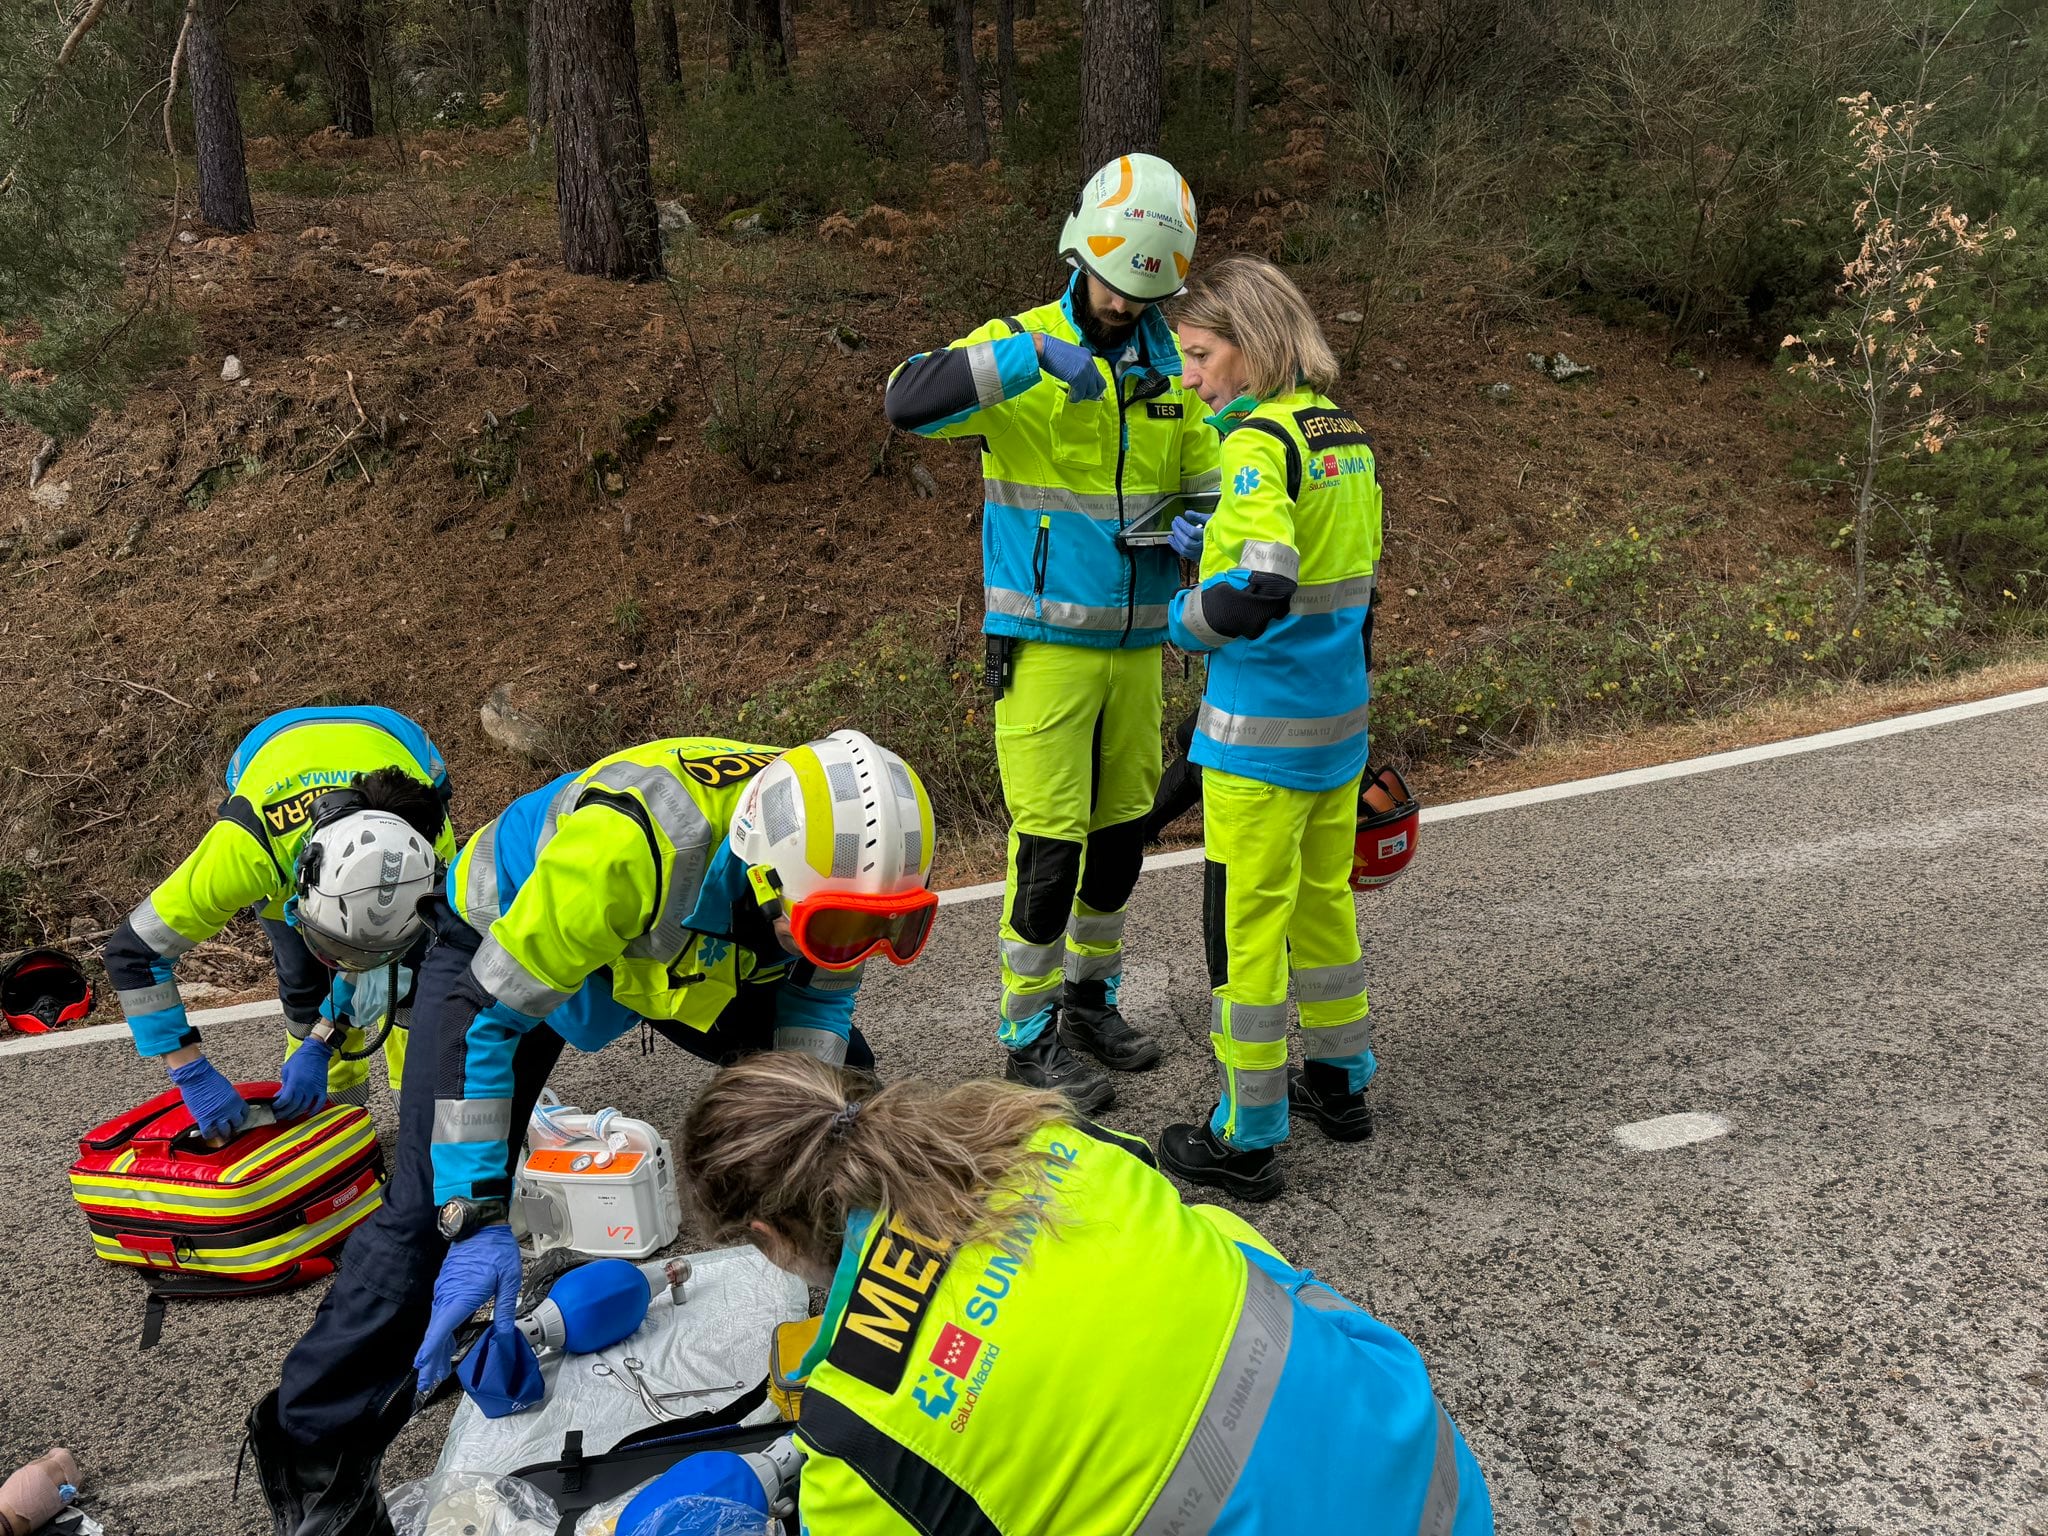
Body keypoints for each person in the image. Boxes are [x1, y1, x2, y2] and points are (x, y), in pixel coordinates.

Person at [241, 731, 940, 1534]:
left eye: (880, 931)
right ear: (763, 869)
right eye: (840, 932)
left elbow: (817, 1007)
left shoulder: (839, 865)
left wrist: (816, 1159)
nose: (860, 953)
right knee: (429, 1209)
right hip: (502, 947)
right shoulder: (629, 849)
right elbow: (489, 1022)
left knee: (847, 1121)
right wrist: (474, 1213)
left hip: (666, 951)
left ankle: (877, 1335)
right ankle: (313, 1446)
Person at [682, 1054, 1495, 1535]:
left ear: (768, 1238)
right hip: (1432, 1476)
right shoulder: (1053, 1142)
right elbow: (1234, 1253)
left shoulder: (856, 1436)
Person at [883, 152, 1220, 1114]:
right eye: (1115, 282)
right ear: (1083, 253)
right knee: (1049, 848)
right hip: (1041, 649)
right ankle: (1025, 1037)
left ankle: (1088, 1001)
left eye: (1145, 288)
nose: (1125, 304)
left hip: (1138, 647)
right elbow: (907, 401)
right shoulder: (1019, 345)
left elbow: (1205, 470)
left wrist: (1205, 527)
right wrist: (1031, 361)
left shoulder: (1171, 362)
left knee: (1121, 837)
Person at [1152, 256, 1384, 1202]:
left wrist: (1182, 615)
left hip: (1262, 732)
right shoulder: (1346, 435)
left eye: (1202, 354)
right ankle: (1341, 1083)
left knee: (1249, 925)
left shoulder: (1252, 443)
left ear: (1251, 343)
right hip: (1338, 724)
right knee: (1324, 905)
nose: (1192, 376)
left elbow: (1259, 585)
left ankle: (1247, 1134)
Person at [102, 705, 456, 1136]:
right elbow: (132, 955)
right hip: (270, 752)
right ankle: (334, 1115)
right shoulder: (246, 850)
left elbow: (381, 953)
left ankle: (421, 1111)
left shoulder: (430, 852)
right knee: (304, 981)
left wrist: (326, 1037)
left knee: (415, 980)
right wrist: (189, 1071)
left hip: (403, 747)